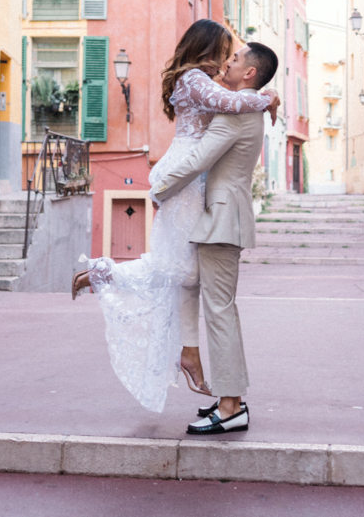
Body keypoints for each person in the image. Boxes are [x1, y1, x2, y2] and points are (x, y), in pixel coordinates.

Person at [70, 21, 279, 413]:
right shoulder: (194, 79)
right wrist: (267, 99)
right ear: (207, 49)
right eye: (224, 52)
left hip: (200, 187)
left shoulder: (209, 85)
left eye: (233, 57)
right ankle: (105, 275)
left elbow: (232, 107)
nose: (226, 61)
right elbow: (231, 108)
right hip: (188, 179)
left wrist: (264, 96)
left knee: (187, 276)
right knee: (182, 273)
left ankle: (190, 353)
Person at [151, 41, 278, 435]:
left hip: (221, 220)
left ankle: (231, 406)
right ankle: (228, 400)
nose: (228, 62)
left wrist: (160, 188)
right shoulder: (247, 106)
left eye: (236, 59)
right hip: (225, 218)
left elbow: (197, 160)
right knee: (220, 310)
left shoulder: (235, 114)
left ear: (250, 73)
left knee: (220, 313)